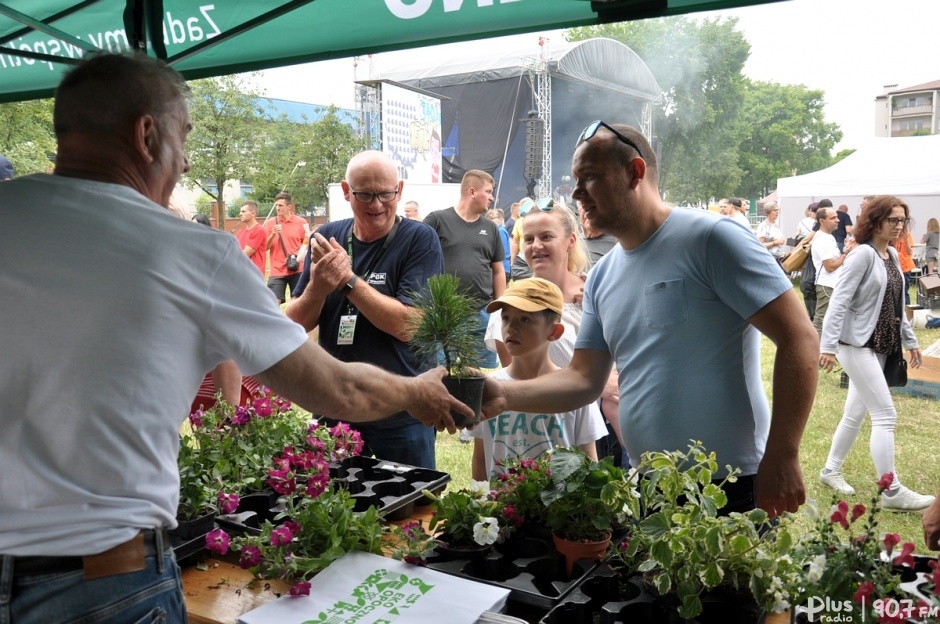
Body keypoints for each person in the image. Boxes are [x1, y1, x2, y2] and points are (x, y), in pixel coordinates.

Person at [0, 53, 471, 624]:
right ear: (147, 135)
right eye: (184, 137)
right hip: (100, 578)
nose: (186, 158)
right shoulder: (190, 252)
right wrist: (416, 392)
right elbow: (336, 391)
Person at [481, 121, 819, 518]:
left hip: (729, 483)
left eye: (589, 177)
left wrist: (783, 453)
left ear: (635, 172)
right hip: (648, 481)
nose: (575, 193)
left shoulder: (710, 238)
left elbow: (800, 338)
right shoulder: (604, 276)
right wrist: (500, 394)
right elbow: (582, 380)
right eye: (575, 180)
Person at [287, 150, 446, 469]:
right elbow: (294, 324)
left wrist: (347, 280)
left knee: (410, 511)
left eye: (385, 194)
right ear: (346, 192)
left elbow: (410, 325)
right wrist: (318, 288)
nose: (376, 205)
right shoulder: (327, 237)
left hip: (401, 412)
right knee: (334, 509)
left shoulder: (419, 239)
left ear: (399, 190)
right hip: (336, 405)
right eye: (364, 194)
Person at [818, 195, 934, 511]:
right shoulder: (862, 256)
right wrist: (827, 346)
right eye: (893, 220)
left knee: (855, 413)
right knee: (885, 414)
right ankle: (891, 491)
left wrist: (910, 340)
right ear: (875, 221)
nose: (899, 226)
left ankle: (830, 470)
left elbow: (897, 304)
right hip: (855, 346)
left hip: (882, 345)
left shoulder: (892, 255)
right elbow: (838, 302)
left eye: (903, 221)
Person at [485, 199, 621, 464]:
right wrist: (594, 382)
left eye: (546, 237)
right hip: (549, 427)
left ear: (570, 241)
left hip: (607, 425)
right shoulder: (509, 307)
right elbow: (519, 381)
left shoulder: (597, 292)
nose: (536, 246)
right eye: (529, 238)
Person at [470, 278, 606, 480]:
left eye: (524, 319)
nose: (511, 328)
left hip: (558, 508)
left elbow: (588, 460)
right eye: (506, 318)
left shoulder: (575, 391)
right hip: (500, 508)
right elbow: (481, 458)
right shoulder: (488, 388)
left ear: (554, 331)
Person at [424, 170, 506, 369]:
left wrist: (500, 308)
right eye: (488, 191)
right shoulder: (437, 220)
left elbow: (498, 270)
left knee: (478, 375)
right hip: (445, 313)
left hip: (482, 311)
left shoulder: (491, 228)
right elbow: (418, 262)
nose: (491, 197)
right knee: (441, 373)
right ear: (472, 192)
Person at [811, 207, 857, 335]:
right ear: (822, 221)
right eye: (833, 218)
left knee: (832, 320)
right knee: (821, 320)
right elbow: (830, 266)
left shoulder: (828, 237)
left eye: (836, 217)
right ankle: (815, 352)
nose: (837, 220)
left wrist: (846, 251)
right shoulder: (821, 239)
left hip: (833, 284)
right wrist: (846, 253)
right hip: (827, 285)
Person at [264, 192, 306, 303]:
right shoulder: (270, 223)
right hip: (277, 270)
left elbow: (306, 244)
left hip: (297, 268)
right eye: (276, 205)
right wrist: (272, 234)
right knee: (272, 303)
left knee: (297, 303)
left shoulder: (301, 222)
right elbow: (265, 248)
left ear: (289, 207)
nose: (277, 208)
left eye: (280, 205)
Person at [578, 201, 617, 267]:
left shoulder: (619, 242)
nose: (588, 211)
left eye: (593, 206)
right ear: (579, 210)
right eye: (583, 206)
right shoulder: (573, 242)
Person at [235, 200, 267, 275]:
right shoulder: (240, 232)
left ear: (253, 213)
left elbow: (245, 254)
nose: (240, 214)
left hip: (254, 275)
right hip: (241, 273)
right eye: (240, 211)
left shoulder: (259, 230)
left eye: (243, 211)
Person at [892, 220, 915, 305]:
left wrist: (905, 240)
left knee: (904, 290)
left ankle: (907, 311)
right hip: (896, 266)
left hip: (906, 267)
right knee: (895, 291)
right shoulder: (893, 236)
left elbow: (910, 252)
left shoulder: (907, 235)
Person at [487, 207, 512, 284]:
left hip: (503, 269)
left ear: (500, 219)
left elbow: (501, 251)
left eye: (492, 218)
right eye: (489, 218)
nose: (490, 221)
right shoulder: (498, 230)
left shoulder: (500, 231)